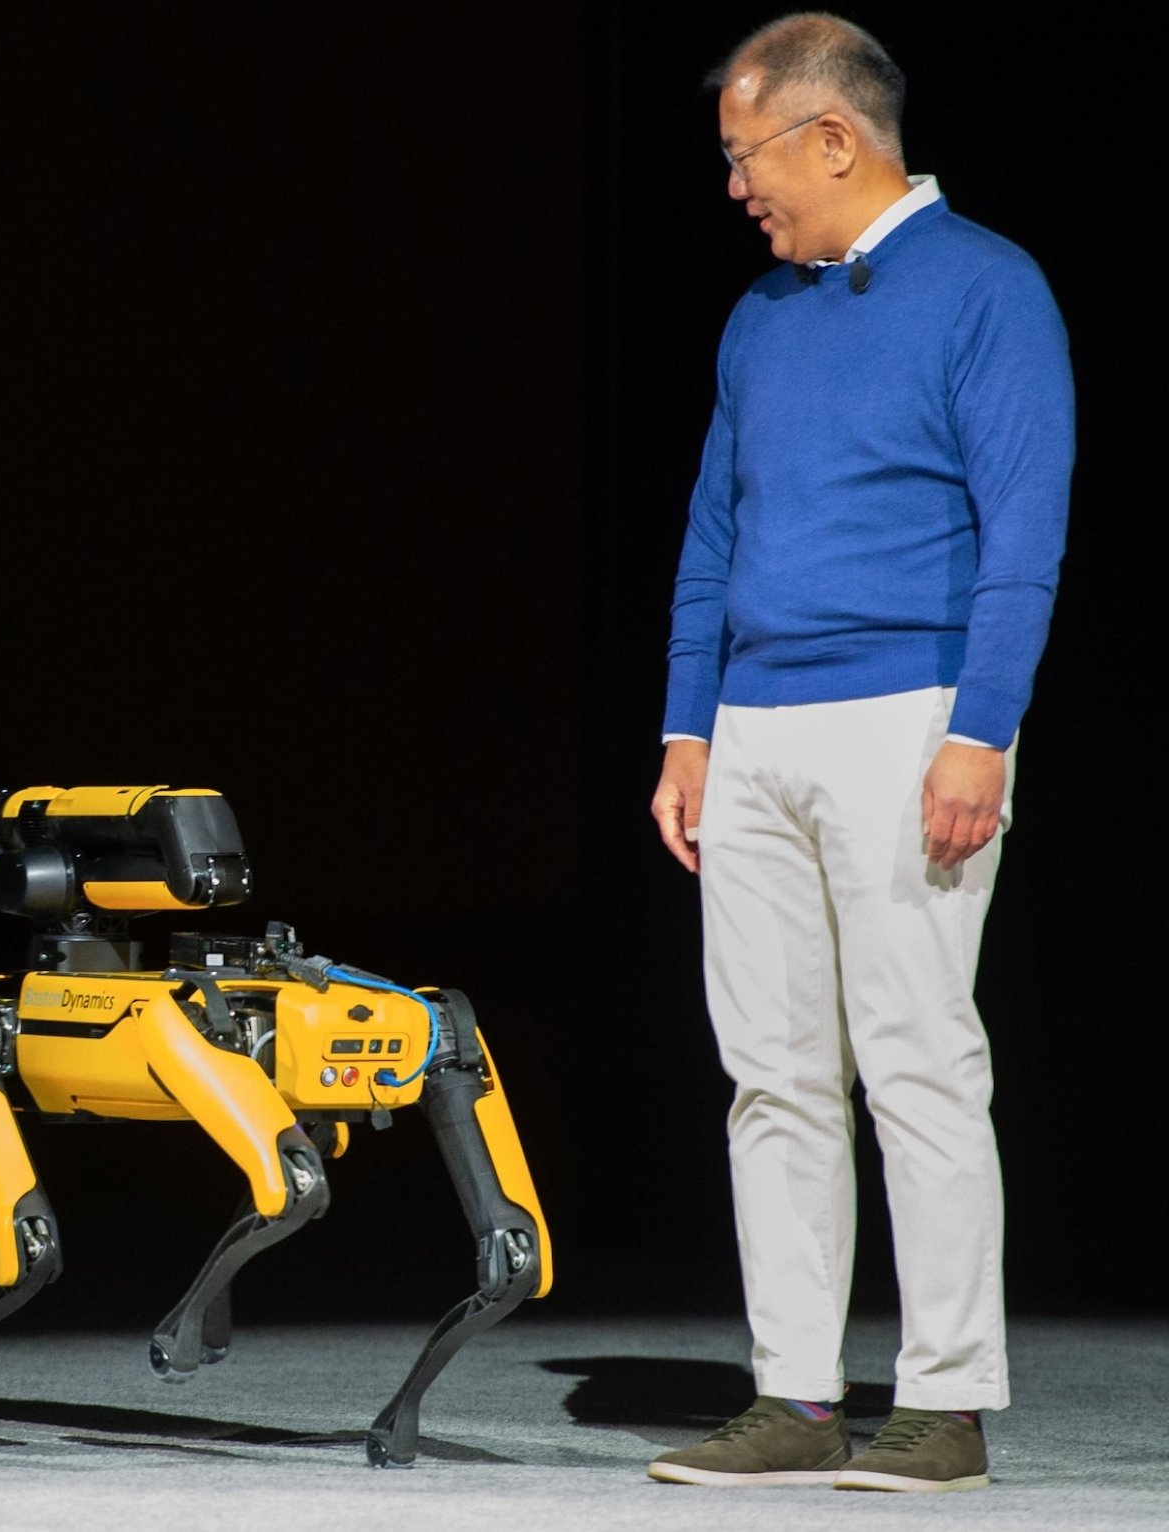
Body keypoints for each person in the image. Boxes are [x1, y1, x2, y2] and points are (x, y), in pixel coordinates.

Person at [644, 13, 1073, 1494]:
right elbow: (715, 530)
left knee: (917, 1064)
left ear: (835, 137)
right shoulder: (760, 316)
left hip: (910, 720)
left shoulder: (988, 291)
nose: (736, 188)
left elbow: (1023, 535)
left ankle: (944, 1404)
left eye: (747, 156)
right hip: (755, 730)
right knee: (770, 1074)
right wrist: (687, 728)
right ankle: (794, 1398)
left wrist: (982, 732)